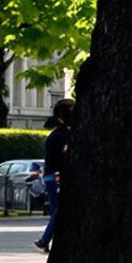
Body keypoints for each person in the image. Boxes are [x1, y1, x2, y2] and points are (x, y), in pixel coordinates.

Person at [35, 98, 75, 252]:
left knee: (56, 210)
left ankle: (50, 241)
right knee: (60, 209)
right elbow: (63, 156)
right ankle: (45, 239)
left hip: (50, 175)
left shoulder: (55, 134)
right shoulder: (64, 134)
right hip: (58, 176)